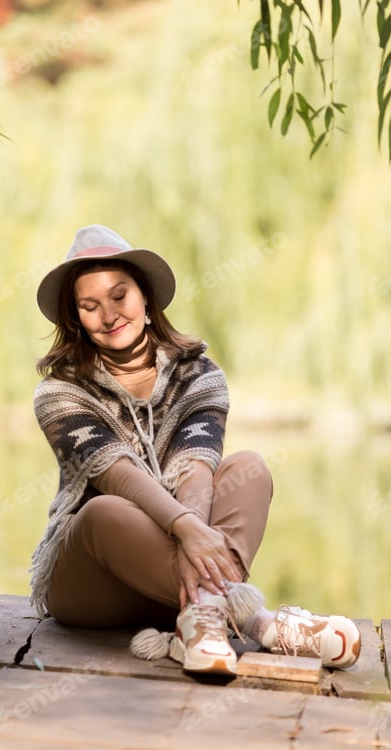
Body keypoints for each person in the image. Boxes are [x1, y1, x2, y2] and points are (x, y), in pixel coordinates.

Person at [30, 224, 361, 675]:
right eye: (90, 307)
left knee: (249, 467)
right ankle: (256, 621)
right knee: (105, 510)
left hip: (167, 579)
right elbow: (115, 472)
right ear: (77, 321)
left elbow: (195, 467)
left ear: (145, 298)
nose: (108, 315)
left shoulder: (199, 374)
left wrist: (190, 531)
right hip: (93, 582)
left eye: (119, 296)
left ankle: (201, 622)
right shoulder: (60, 391)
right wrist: (188, 528)